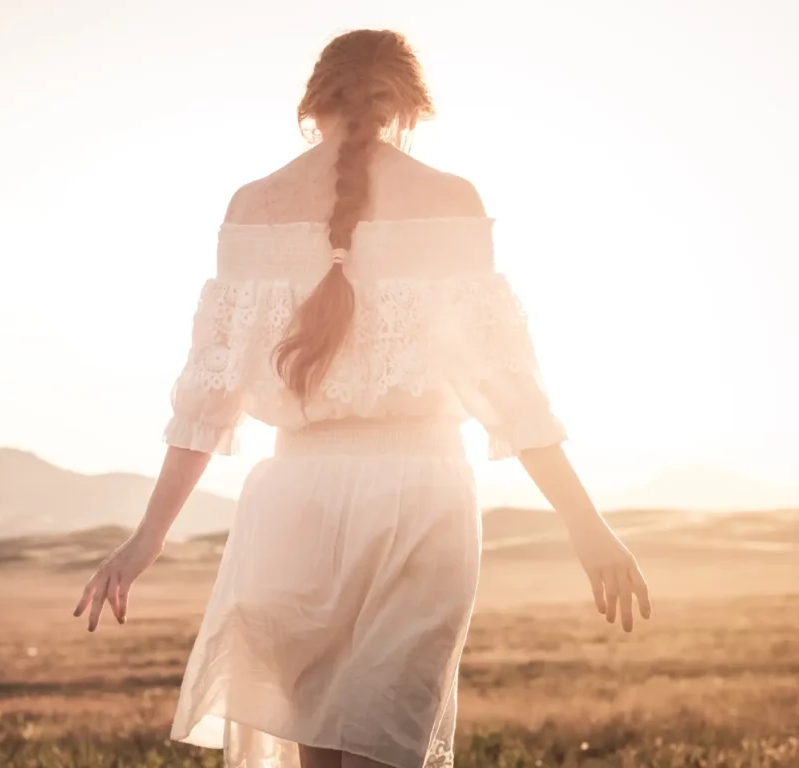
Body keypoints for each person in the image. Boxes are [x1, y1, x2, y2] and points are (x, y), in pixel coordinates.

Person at [74, 28, 650, 768]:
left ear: (313, 106)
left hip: (291, 503)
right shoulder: (451, 201)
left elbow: (204, 403)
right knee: (389, 743)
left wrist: (144, 540)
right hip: (419, 497)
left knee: (316, 749)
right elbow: (513, 396)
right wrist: (587, 528)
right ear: (410, 106)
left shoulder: (252, 207)